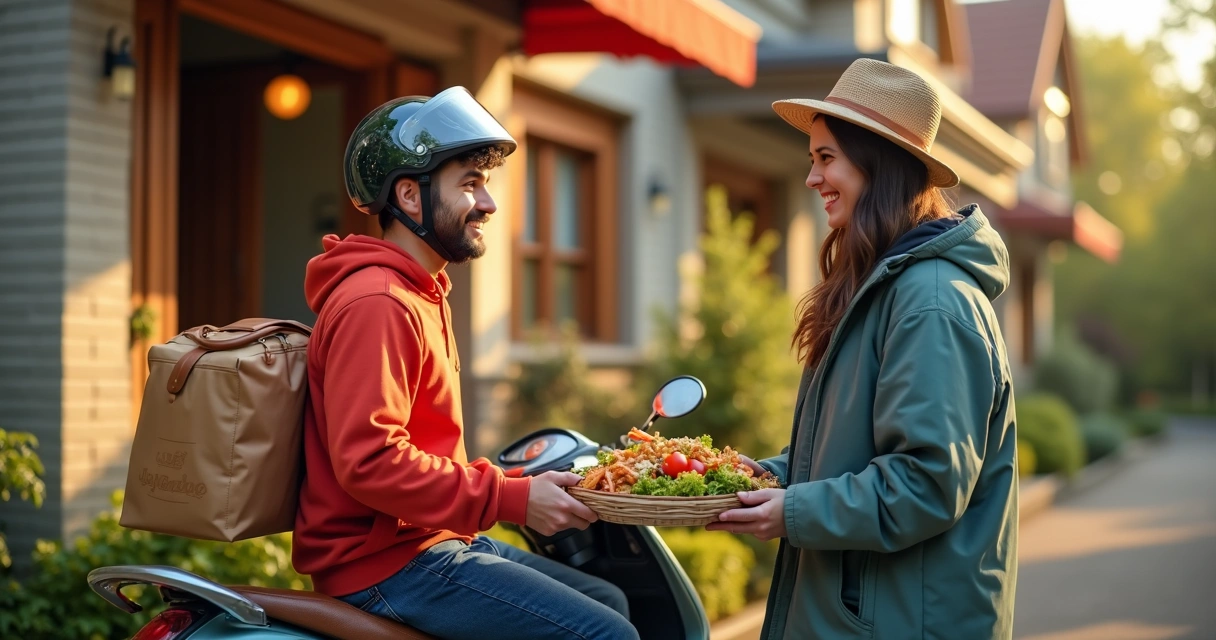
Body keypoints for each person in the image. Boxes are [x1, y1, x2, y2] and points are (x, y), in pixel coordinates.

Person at [291, 86, 638, 640]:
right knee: (607, 635)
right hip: (385, 567)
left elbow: (420, 445)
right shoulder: (378, 303)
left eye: (486, 184)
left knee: (608, 598)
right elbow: (372, 463)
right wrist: (509, 498)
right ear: (409, 196)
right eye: (470, 184)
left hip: (426, 542)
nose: (489, 203)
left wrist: (509, 483)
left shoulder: (421, 292)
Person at [708, 59, 1018, 639]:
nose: (811, 178)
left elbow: (926, 483)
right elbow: (851, 451)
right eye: (812, 160)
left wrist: (792, 510)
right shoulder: (884, 288)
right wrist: (772, 478)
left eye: (827, 159)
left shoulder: (930, 301)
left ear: (879, 165)